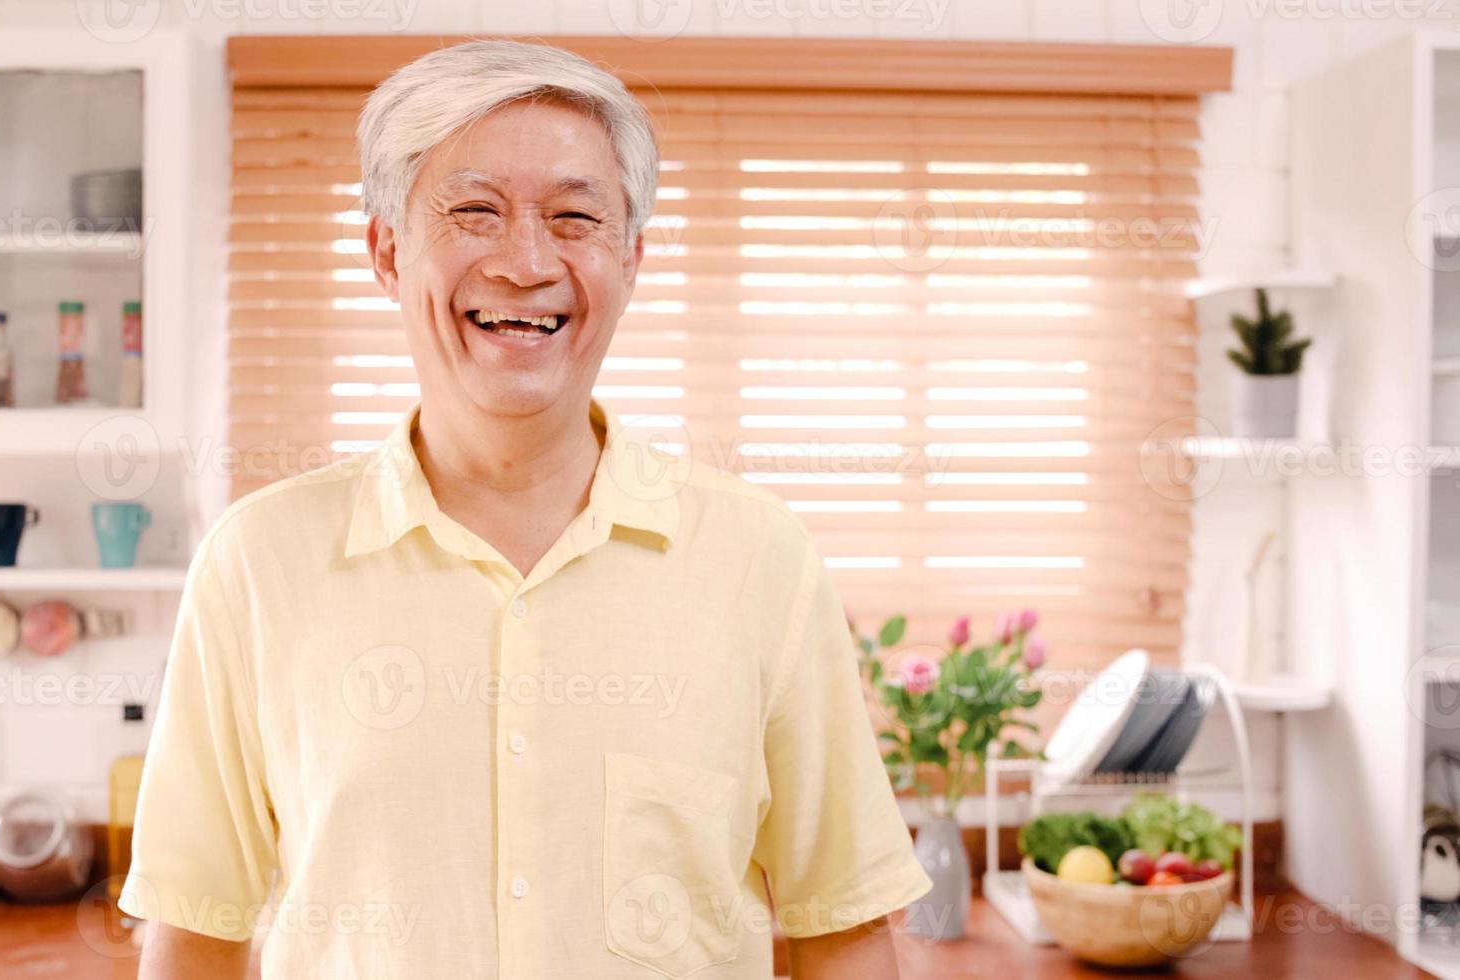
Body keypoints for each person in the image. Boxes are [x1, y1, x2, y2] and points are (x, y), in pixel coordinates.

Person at [126, 38, 930, 979]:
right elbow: (194, 932)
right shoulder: (259, 564)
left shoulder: (759, 558)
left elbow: (842, 928)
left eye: (574, 217)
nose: (525, 261)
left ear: (630, 258)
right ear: (387, 252)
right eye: (473, 211)